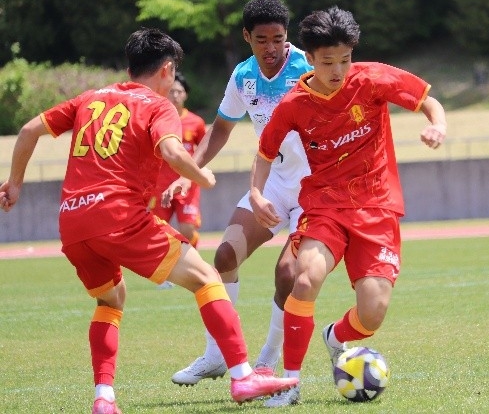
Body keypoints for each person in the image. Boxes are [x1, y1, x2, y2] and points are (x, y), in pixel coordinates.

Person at [0, 28, 298, 414]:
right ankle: (243, 376)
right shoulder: (159, 106)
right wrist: (201, 176)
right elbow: (173, 152)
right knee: (207, 280)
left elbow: (29, 130)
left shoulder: (90, 98)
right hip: (119, 216)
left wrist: (14, 184)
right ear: (167, 69)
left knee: (111, 300)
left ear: (130, 68)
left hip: (72, 221)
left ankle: (104, 398)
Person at [249, 6, 447, 407]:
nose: (338, 70)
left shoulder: (372, 79)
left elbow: (429, 101)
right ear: (309, 58)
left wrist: (437, 125)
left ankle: (335, 337)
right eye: (327, 62)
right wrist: (256, 193)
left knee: (373, 312)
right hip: (325, 206)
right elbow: (265, 151)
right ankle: (290, 383)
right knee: (306, 279)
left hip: (377, 207)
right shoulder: (294, 104)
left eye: (345, 59)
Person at [166, 0, 313, 389]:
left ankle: (266, 360)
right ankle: (218, 356)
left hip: (315, 187)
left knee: (288, 272)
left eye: (278, 39)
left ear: (287, 35)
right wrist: (189, 172)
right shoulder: (243, 76)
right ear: (247, 36)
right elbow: (221, 129)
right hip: (273, 183)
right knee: (225, 256)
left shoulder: (308, 67)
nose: (271, 48)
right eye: (261, 40)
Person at [149, 72, 206, 289]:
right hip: (160, 185)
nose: (175, 95)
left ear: (186, 95)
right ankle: (164, 273)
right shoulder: (158, 120)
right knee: (158, 230)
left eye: (179, 91)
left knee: (187, 229)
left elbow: (204, 150)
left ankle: (192, 263)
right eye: (171, 91)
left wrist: (198, 173)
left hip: (186, 185)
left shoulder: (196, 122)